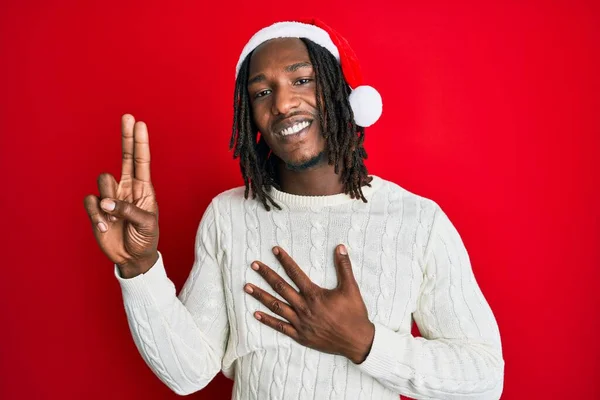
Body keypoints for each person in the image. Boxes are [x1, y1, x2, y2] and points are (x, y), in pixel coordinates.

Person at [84, 19, 504, 400]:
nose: (283, 104)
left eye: (301, 80)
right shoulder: (228, 216)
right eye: (262, 92)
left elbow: (484, 377)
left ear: (342, 95)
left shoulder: (417, 222)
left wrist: (363, 342)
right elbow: (187, 373)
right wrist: (139, 269)